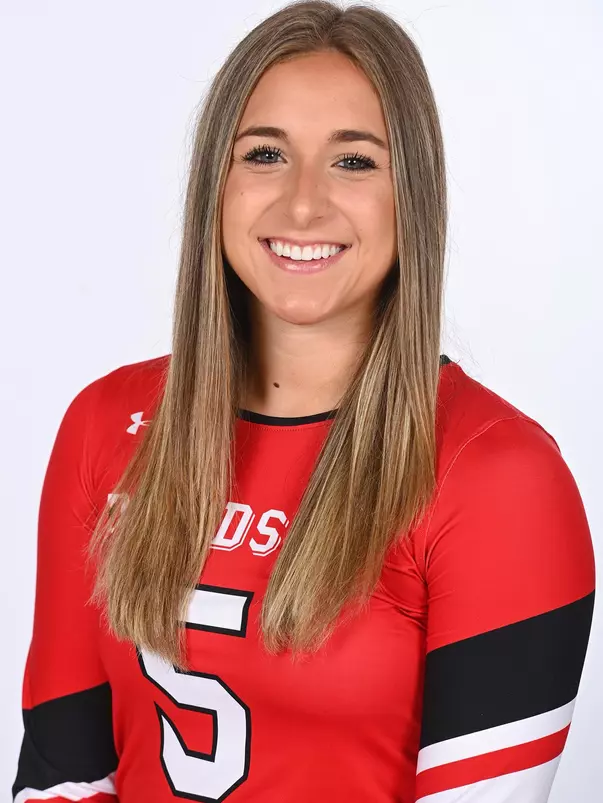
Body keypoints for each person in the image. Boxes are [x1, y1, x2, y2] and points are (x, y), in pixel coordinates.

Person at [12, 2, 595, 802]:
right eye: (264, 154)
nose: (302, 206)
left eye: (354, 162)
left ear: (412, 194)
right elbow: (60, 776)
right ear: (214, 180)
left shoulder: (500, 475)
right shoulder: (104, 422)